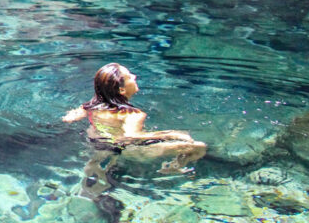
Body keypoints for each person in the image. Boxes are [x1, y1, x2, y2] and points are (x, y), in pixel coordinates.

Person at [63, 63, 206, 193]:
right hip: (128, 150)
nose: (134, 76)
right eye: (129, 76)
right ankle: (172, 169)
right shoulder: (133, 114)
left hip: (97, 146)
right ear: (122, 90)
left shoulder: (89, 106)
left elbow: (69, 118)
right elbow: (132, 137)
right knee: (198, 147)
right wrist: (170, 134)